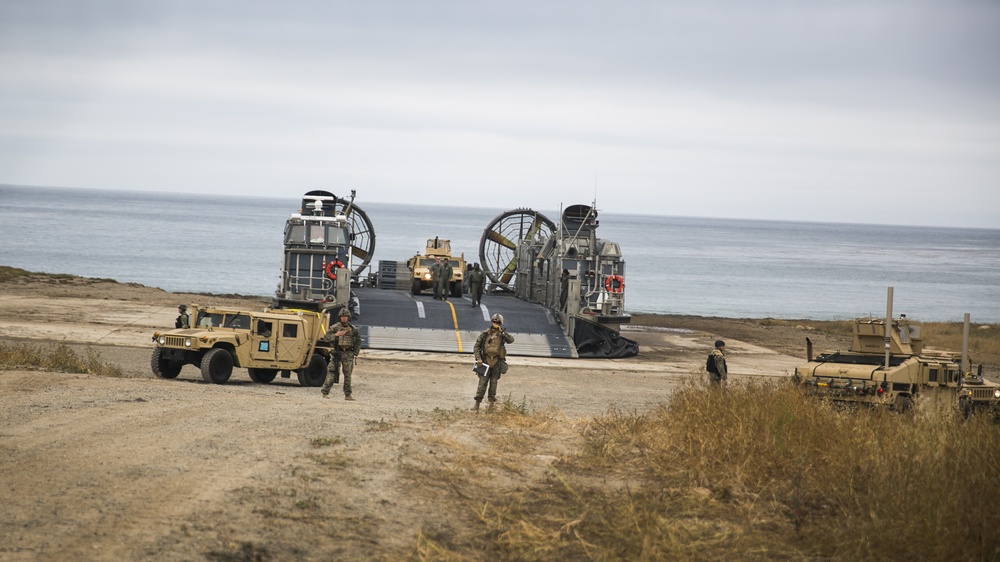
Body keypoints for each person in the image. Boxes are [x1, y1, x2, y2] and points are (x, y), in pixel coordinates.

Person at [472, 313, 515, 411]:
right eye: (494, 322)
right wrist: (478, 358)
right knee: (482, 383)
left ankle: (491, 405)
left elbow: (511, 340)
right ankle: (477, 404)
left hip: (496, 362)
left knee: (493, 384)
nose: (495, 323)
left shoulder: (502, 335)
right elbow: (476, 346)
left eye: (498, 322)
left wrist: (503, 333)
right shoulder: (485, 334)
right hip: (485, 361)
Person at [321, 307, 362, 401]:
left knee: (347, 375)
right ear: (340, 317)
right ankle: (325, 392)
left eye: (346, 316)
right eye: (342, 316)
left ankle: (348, 395)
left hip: (348, 354)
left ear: (348, 317)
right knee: (331, 373)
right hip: (337, 353)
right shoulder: (335, 327)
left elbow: (358, 340)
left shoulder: (352, 329)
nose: (344, 318)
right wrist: (336, 335)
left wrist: (355, 352)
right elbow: (326, 338)